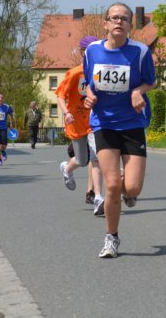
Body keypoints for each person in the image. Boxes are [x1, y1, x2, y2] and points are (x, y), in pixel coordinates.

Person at [83, 2, 156, 258]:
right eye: (114, 18)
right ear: (105, 23)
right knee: (112, 185)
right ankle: (111, 238)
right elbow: (88, 81)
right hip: (104, 124)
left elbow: (150, 81)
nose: (119, 22)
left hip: (133, 123)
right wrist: (89, 96)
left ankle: (129, 192)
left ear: (130, 25)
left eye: (124, 18)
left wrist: (138, 91)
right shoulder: (92, 51)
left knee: (132, 188)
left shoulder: (140, 52)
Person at [56, 35, 105, 216]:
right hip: (76, 121)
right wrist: (66, 113)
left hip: (93, 122)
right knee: (82, 161)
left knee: (96, 158)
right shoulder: (75, 73)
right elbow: (60, 95)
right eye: (90, 51)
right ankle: (67, 169)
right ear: (83, 52)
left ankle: (98, 198)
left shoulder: (100, 72)